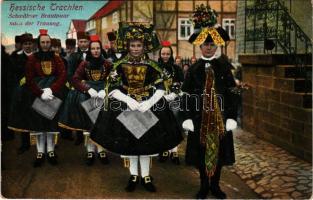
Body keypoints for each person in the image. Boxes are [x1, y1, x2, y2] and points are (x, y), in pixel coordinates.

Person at [90, 22, 183, 192]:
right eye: (132, 45)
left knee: (147, 142)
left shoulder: (152, 65)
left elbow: (162, 87)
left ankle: (146, 176)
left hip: (148, 105)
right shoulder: (118, 65)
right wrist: (128, 100)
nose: (135, 48)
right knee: (131, 142)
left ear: (144, 46)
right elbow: (112, 87)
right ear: (128, 46)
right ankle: (133, 175)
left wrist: (149, 102)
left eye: (138, 45)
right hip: (126, 105)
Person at [181, 4, 239, 199]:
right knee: (201, 153)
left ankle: (215, 186)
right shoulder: (194, 69)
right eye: (205, 44)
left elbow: (232, 93)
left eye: (211, 45)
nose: (208, 47)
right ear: (200, 46)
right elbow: (186, 95)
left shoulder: (223, 66)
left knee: (219, 154)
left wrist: (231, 116)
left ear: (216, 46)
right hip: (199, 118)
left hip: (220, 118)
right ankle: (204, 186)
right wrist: (187, 117)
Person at [8, 29, 67, 167]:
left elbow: (62, 75)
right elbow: (29, 78)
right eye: (43, 42)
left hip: (54, 93)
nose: (45, 44)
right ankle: (40, 152)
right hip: (36, 94)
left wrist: (51, 89)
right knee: (39, 125)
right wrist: (40, 92)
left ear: (50, 43)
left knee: (51, 124)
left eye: (47, 42)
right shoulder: (32, 59)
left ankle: (51, 151)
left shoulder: (57, 58)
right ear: (39, 44)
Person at [59, 35, 111, 165]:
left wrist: (105, 90)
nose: (95, 51)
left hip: (102, 95)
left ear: (101, 49)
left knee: (101, 124)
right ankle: (89, 150)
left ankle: (101, 150)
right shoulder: (84, 63)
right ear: (89, 50)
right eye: (93, 49)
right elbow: (75, 79)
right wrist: (88, 89)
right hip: (89, 94)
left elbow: (113, 79)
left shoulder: (107, 64)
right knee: (88, 125)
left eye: (98, 48)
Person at [157, 40, 184, 165]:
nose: (165, 56)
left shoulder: (177, 68)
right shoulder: (155, 67)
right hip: (159, 100)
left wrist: (174, 94)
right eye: (163, 54)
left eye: (168, 54)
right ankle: (164, 150)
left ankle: (174, 151)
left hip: (174, 99)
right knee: (162, 125)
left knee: (174, 125)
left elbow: (181, 84)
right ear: (160, 54)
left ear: (171, 54)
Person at [11, 33, 34, 154]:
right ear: (22, 45)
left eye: (30, 43)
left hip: (36, 91)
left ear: (33, 44)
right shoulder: (17, 58)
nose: (28, 46)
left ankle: (38, 143)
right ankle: (25, 144)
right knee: (24, 117)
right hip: (23, 92)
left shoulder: (37, 57)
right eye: (25, 44)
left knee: (38, 116)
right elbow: (14, 74)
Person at [67, 32, 90, 145]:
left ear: (89, 42)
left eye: (85, 41)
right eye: (81, 42)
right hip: (78, 86)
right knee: (78, 110)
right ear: (78, 43)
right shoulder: (73, 56)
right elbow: (70, 73)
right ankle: (79, 136)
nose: (83, 44)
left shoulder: (95, 53)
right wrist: (75, 85)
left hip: (92, 86)